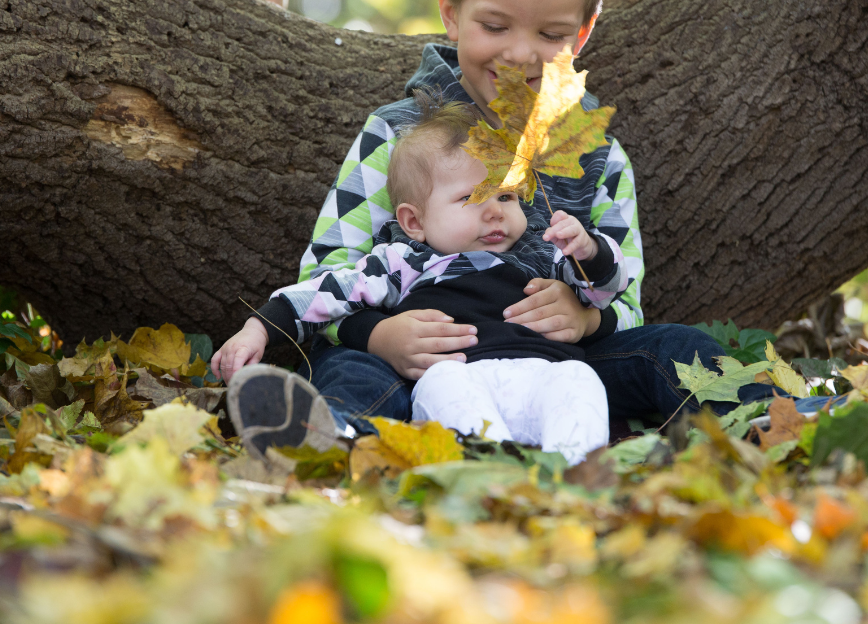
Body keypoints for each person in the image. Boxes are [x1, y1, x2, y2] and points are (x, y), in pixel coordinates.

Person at [215, 0, 784, 456]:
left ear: (581, 35)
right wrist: (378, 333)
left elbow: (627, 294)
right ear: (452, 14)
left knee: (675, 349)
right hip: (423, 365)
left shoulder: (598, 156)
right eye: (495, 26)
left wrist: (586, 322)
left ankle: (766, 423)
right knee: (355, 369)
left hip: (560, 369)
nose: (519, 53)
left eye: (551, 34)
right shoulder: (395, 133)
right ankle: (330, 436)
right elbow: (331, 268)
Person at [226, 95, 624, 465]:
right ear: (414, 222)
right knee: (442, 384)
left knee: (579, 379)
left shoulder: (543, 253)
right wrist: (257, 329)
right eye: (471, 198)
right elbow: (324, 293)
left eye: (505, 195)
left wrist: (589, 250)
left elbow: (605, 292)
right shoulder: (403, 262)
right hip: (460, 375)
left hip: (544, 373)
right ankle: (481, 474)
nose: (495, 213)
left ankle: (575, 482)